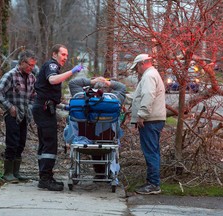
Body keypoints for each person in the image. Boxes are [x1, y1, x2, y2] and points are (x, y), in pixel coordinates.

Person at [32, 44, 83, 191]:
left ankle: (44, 176)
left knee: (45, 143)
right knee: (50, 144)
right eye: (63, 54)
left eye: (67, 55)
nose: (65, 58)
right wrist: (72, 71)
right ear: (54, 54)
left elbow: (48, 94)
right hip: (43, 110)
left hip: (45, 108)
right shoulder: (52, 65)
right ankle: (46, 179)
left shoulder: (53, 66)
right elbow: (53, 80)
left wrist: (65, 107)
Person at [67, 76, 126, 179]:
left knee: (92, 132)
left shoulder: (80, 98)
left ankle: (99, 172)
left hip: (85, 138)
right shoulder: (114, 100)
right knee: (103, 135)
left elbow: (73, 83)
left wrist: (92, 81)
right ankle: (105, 172)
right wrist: (107, 82)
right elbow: (122, 88)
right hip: (107, 138)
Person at [0, 49, 37, 183]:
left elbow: (34, 96)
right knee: (12, 142)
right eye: (29, 65)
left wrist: (30, 108)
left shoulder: (32, 78)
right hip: (12, 115)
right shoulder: (11, 75)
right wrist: (9, 107)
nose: (31, 68)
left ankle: (16, 172)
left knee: (21, 143)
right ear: (22, 62)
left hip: (25, 115)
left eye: (33, 65)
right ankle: (8, 172)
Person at [130, 53, 166, 195]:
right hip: (155, 119)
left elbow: (148, 96)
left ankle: (153, 184)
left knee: (150, 152)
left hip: (150, 120)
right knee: (153, 151)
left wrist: (141, 115)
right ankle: (152, 182)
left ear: (142, 64)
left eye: (136, 67)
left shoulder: (149, 76)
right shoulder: (152, 74)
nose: (136, 71)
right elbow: (141, 96)